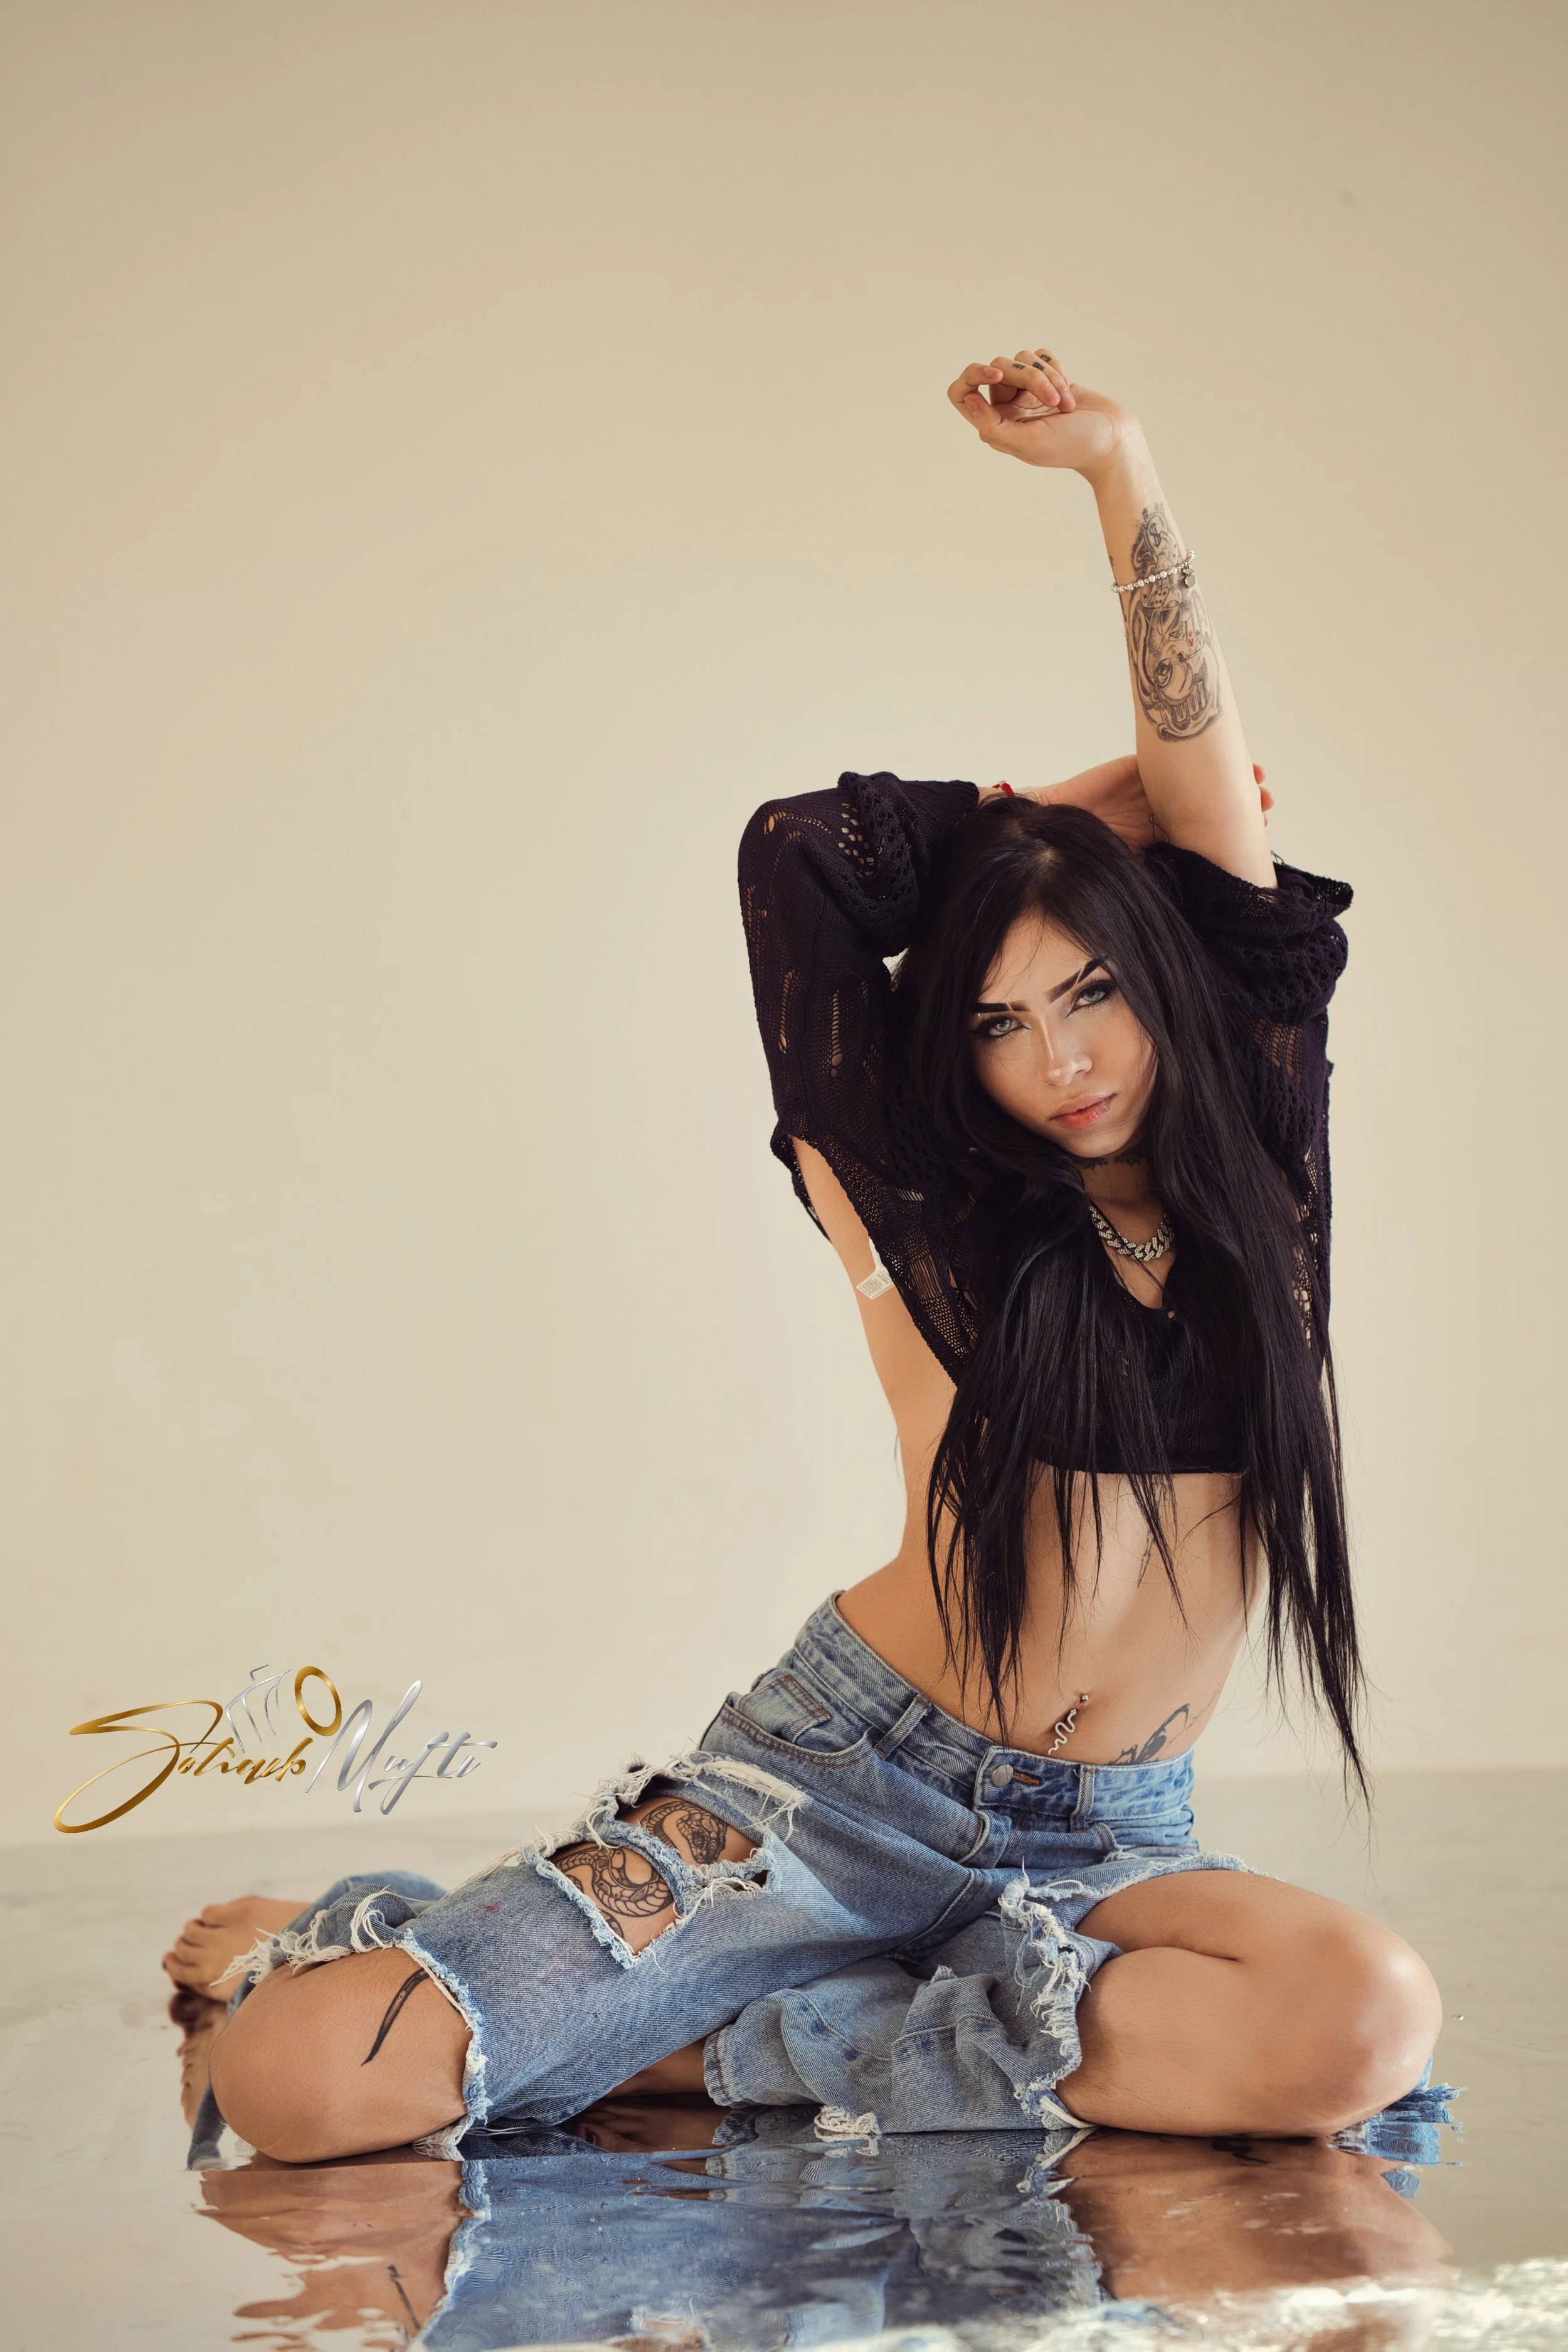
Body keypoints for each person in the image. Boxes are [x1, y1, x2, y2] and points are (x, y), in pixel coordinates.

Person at [165, 343, 1442, 2166]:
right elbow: (796, 855)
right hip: (832, 1796)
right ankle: (395, 1934)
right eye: (999, 1019)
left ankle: (727, 2047)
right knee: (296, 2091)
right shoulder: (938, 1198)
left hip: (1109, 1844)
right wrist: (1051, 833)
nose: (1057, 1057)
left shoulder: (1266, 1162)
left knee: (1359, 2021)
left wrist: (1117, 470)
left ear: (1167, 985)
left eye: (1090, 991)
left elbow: (1223, 808)